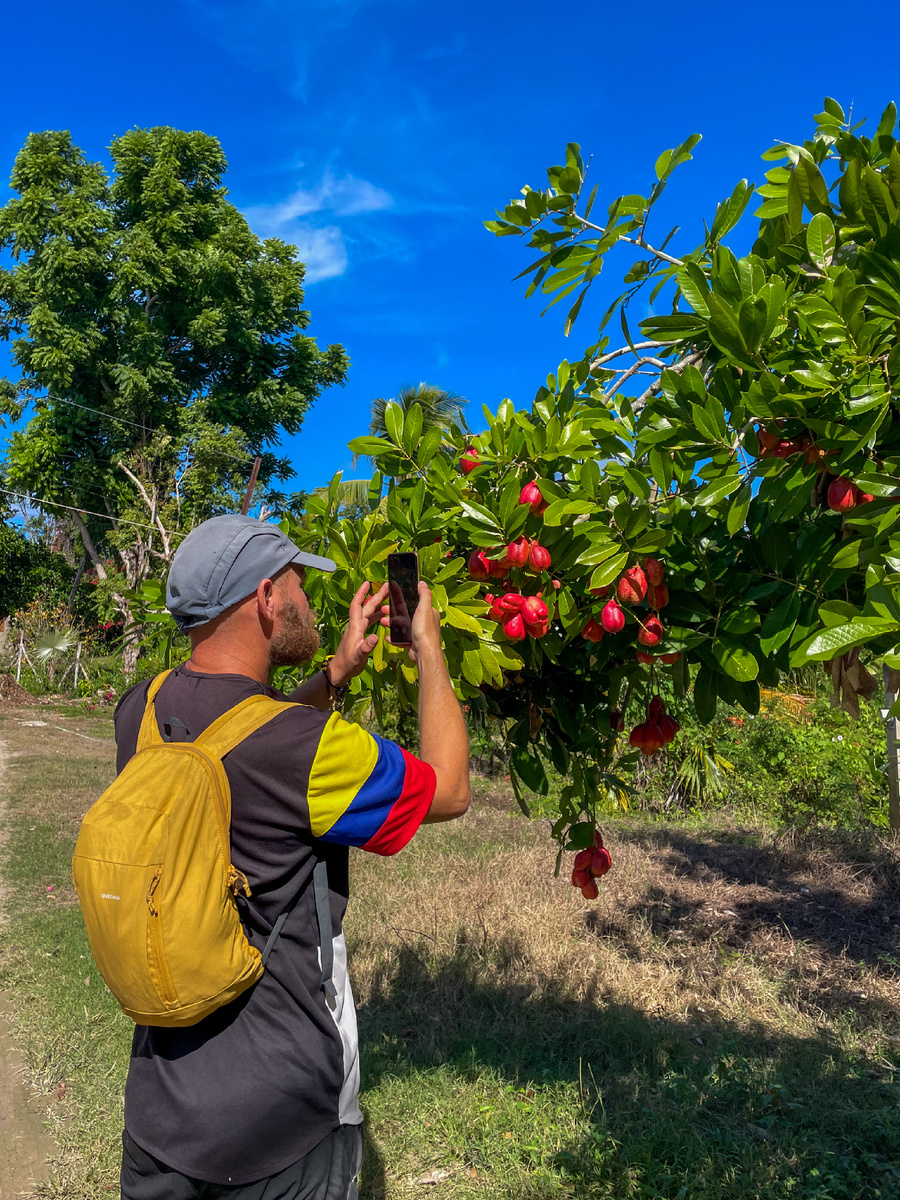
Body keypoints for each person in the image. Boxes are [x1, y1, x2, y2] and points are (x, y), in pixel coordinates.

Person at [114, 514, 470, 1200]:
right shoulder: (308, 748)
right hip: (279, 1122)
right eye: (299, 585)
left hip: (162, 1108)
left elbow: (239, 737)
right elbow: (449, 790)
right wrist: (429, 648)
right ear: (265, 599)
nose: (307, 600)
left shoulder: (142, 709)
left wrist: (334, 673)